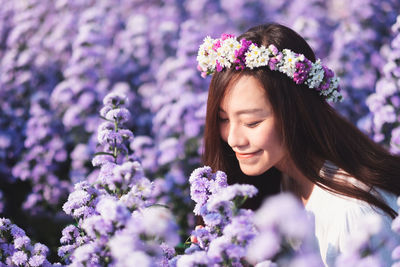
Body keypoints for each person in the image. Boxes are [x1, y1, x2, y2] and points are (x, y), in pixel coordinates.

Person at [197, 23, 400, 266]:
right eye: (223, 119)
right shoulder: (282, 182)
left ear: (296, 114)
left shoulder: (352, 214)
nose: (233, 140)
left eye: (252, 122)